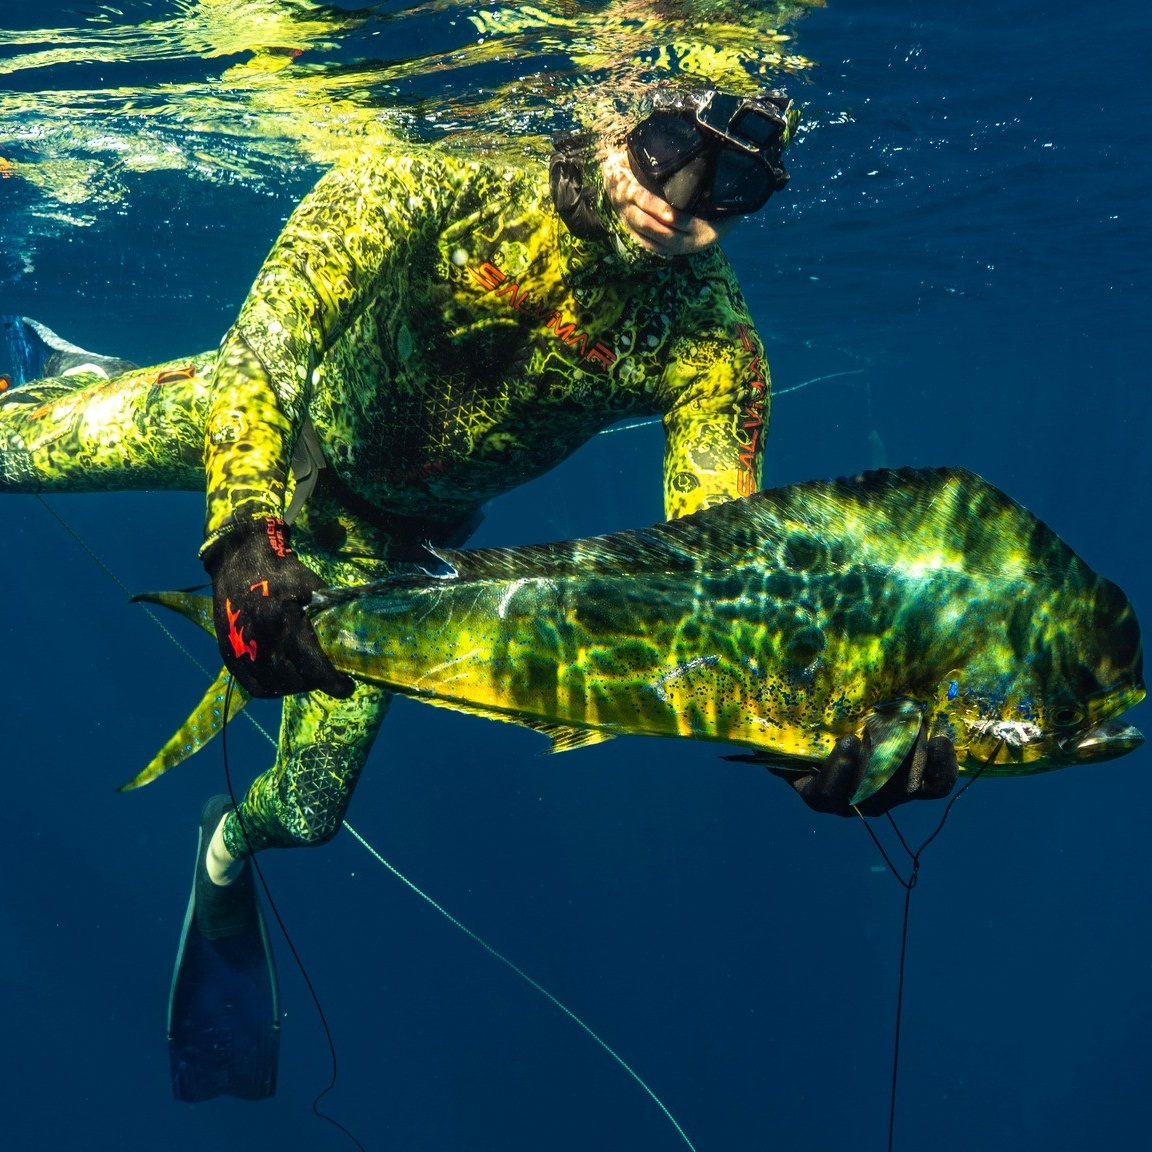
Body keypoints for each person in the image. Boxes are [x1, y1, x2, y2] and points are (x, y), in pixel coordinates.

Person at [0, 87, 956, 1098]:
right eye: (672, 144)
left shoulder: (713, 346)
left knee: (312, 813)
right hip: (269, 439)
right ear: (617, 113)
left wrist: (810, 723)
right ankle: (68, 377)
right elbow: (265, 352)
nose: (681, 196)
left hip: (382, 553)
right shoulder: (444, 175)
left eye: (737, 184)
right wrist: (245, 533)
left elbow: (715, 573)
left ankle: (226, 845)